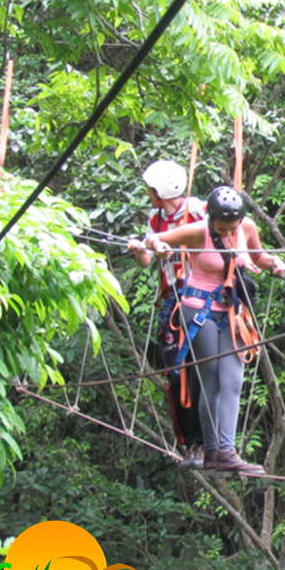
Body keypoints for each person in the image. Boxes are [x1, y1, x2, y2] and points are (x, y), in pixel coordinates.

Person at [145, 185, 285, 474]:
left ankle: (225, 452)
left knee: (233, 380)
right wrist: (158, 246)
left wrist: (274, 262)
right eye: (222, 229)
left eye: (232, 228)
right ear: (211, 219)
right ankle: (213, 451)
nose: (227, 234)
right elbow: (153, 239)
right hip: (200, 309)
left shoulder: (247, 227)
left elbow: (257, 257)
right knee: (211, 379)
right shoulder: (198, 231)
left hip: (231, 310)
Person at [126, 160, 208, 469]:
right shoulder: (155, 218)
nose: (147, 194)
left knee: (202, 371)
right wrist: (141, 249)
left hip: (202, 296)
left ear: (159, 192)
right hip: (173, 300)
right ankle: (191, 443)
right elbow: (146, 261)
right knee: (176, 373)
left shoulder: (197, 210)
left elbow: (222, 236)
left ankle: (207, 444)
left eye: (150, 189)